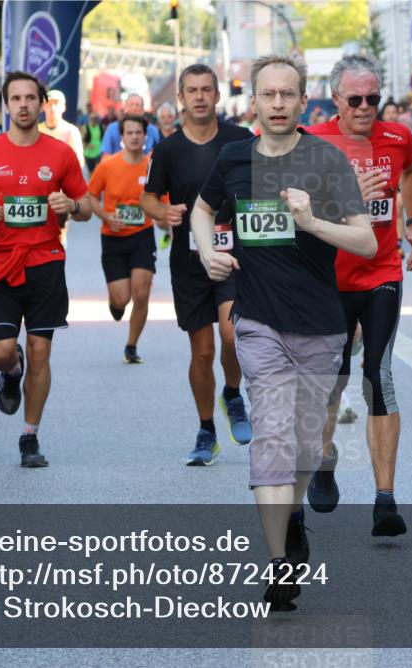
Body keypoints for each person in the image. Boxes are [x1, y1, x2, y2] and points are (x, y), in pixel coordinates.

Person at [191, 53, 374, 608]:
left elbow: (365, 241)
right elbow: (202, 211)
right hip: (258, 321)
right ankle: (278, 563)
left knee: (301, 444)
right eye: (267, 95)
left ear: (302, 101)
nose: (276, 104)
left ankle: (292, 516)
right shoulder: (233, 158)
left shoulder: (326, 160)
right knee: (270, 432)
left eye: (286, 95)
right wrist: (206, 251)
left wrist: (314, 221)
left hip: (320, 325)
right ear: (254, 101)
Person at [304, 54, 412, 536]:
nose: (365, 107)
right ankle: (325, 457)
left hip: (381, 271)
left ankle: (385, 499)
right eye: (355, 99)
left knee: (379, 373)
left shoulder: (397, 137)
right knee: (332, 378)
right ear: (335, 99)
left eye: (374, 98)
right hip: (328, 276)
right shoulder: (312, 142)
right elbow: (291, 203)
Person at [0, 71, 92, 468]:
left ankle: (30, 436)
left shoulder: (60, 154)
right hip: (0, 265)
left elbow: (87, 207)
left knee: (40, 351)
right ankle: (11, 372)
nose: (25, 104)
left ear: (42, 104)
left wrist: (72, 207)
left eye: (32, 97)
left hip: (46, 264)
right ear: (7, 105)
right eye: (17, 98)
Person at [141, 63, 254, 465]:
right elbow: (148, 198)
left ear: (218, 95)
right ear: (181, 98)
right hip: (189, 262)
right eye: (193, 90)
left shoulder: (240, 140)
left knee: (232, 335)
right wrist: (164, 211)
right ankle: (207, 430)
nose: (201, 96)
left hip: (233, 256)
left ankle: (233, 395)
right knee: (202, 351)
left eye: (207, 89)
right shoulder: (168, 149)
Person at [87, 114, 157, 364]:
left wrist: (164, 218)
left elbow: (162, 200)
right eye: (130, 133)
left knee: (142, 290)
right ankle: (115, 303)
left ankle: (131, 345)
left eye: (139, 132)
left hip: (142, 235)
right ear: (122, 137)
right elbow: (91, 196)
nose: (135, 137)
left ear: (145, 136)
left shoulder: (152, 166)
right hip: (113, 237)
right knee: (121, 299)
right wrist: (106, 216)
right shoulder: (108, 166)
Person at [39, 89, 85, 169]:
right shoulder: (35, 131)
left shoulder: (71, 131)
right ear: (43, 106)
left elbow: (79, 162)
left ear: (63, 107)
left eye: (56, 103)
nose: (52, 107)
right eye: (49, 103)